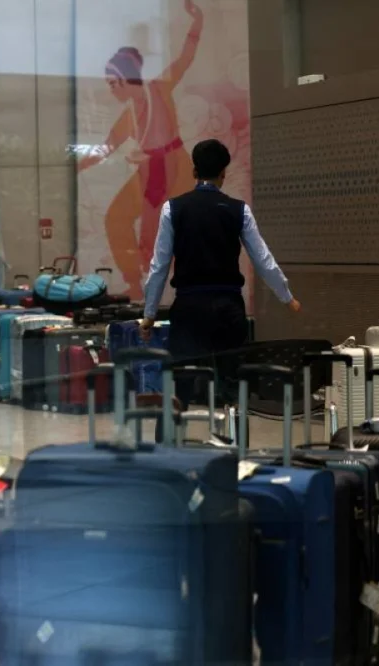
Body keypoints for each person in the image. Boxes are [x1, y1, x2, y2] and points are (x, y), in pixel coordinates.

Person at [140, 139, 300, 438]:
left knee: (180, 383)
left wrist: (149, 314)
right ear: (223, 173)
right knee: (233, 383)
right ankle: (236, 449)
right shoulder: (238, 210)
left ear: (193, 170)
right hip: (228, 308)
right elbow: (263, 259)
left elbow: (159, 266)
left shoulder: (172, 209)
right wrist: (286, 297)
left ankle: (168, 449)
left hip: (188, 308)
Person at [77, 0, 204, 299]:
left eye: (112, 83)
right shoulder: (128, 116)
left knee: (168, 232)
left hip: (177, 167)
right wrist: (75, 164)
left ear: (124, 79)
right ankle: (134, 285)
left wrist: (198, 21)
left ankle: (179, 289)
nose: (110, 89)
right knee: (116, 218)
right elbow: (106, 147)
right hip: (149, 172)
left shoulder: (159, 88)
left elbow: (187, 56)